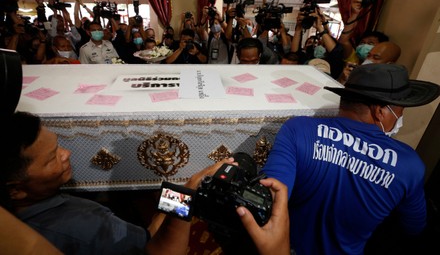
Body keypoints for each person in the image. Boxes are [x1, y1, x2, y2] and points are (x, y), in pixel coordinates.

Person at [261, 63, 440, 255]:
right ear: (380, 110)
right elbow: (414, 227)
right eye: (401, 110)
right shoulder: (409, 165)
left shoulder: (298, 129)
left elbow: (269, 198)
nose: (400, 117)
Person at [0, 110, 236, 255]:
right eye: (52, 157)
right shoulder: (81, 228)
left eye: (58, 145)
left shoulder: (26, 211)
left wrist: (177, 192)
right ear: (16, 190)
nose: (66, 154)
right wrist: (190, 188)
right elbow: (161, 249)